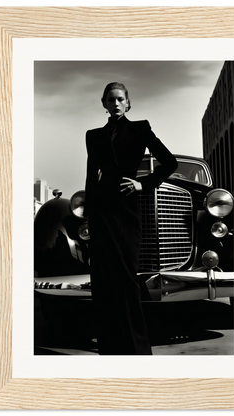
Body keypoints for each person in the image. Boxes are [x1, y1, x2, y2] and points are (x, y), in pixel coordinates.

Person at [84, 82, 178, 355]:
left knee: (126, 279)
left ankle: (137, 348)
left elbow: (168, 162)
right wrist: (89, 217)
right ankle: (109, 347)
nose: (115, 104)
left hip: (126, 211)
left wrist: (143, 184)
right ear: (103, 103)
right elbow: (91, 178)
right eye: (110, 99)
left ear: (128, 103)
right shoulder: (93, 136)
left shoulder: (140, 128)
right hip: (101, 213)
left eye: (120, 99)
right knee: (103, 281)